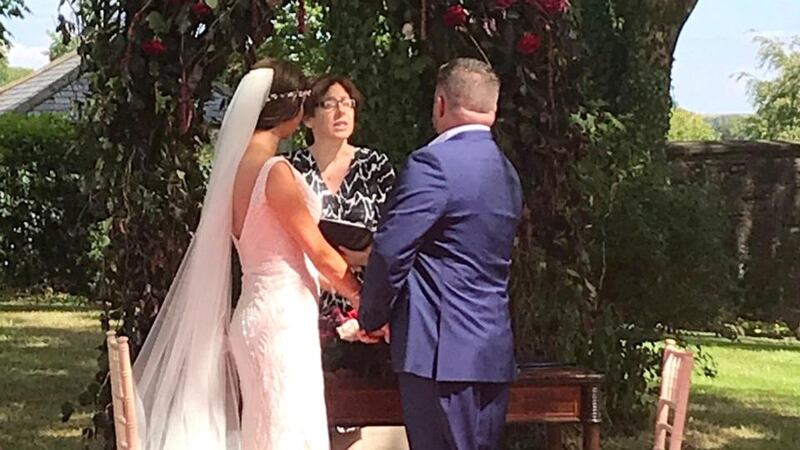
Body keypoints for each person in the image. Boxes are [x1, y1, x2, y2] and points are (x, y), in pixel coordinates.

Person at [132, 59, 360, 450]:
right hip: (281, 320)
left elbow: (279, 252)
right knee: (288, 430)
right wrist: (362, 296)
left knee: (266, 428)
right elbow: (319, 252)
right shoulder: (275, 172)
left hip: (257, 311)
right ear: (288, 110)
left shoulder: (237, 170)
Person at [357, 58, 524, 450]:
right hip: (490, 349)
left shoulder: (432, 164)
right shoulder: (508, 172)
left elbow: (392, 248)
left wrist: (372, 316)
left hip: (439, 350)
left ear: (440, 104)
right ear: (493, 110)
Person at [288, 74, 395, 316]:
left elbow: (396, 229)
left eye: (348, 103)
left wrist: (369, 257)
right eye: (329, 104)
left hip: (365, 300)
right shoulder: (290, 169)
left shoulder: (375, 165)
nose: (341, 111)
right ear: (307, 118)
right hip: (304, 296)